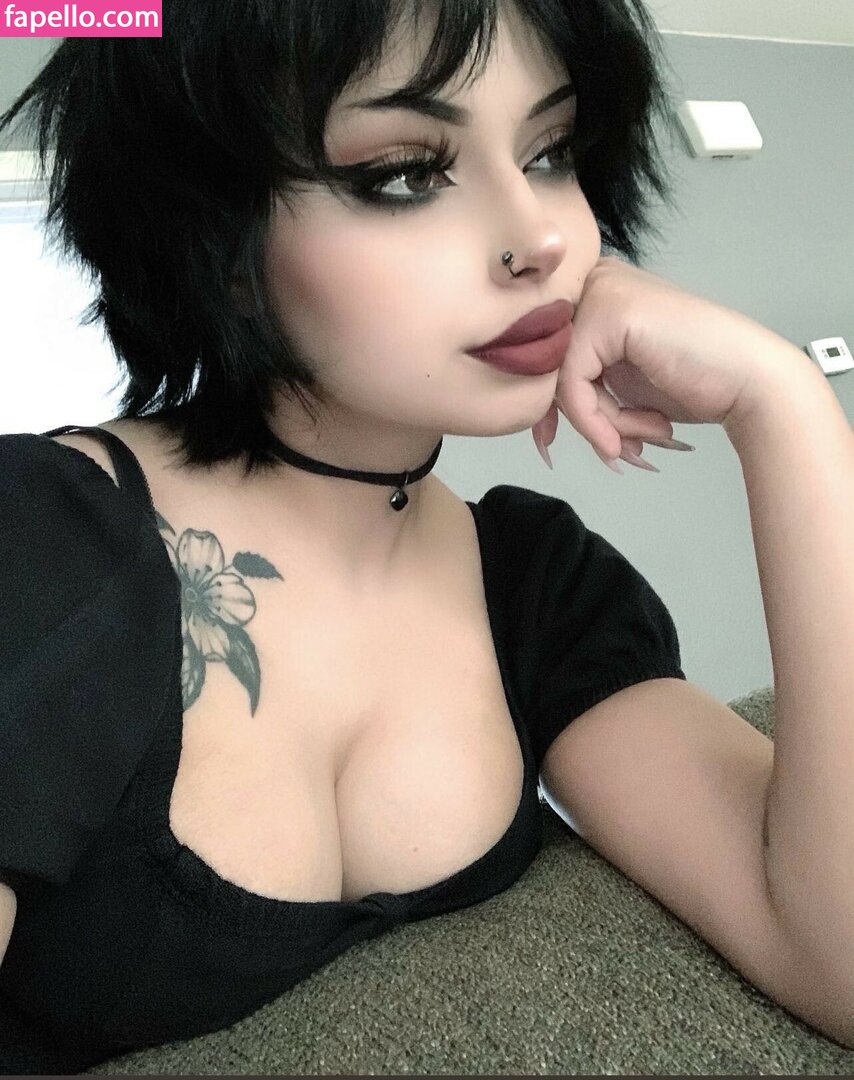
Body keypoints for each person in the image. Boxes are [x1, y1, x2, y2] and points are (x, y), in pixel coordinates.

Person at [1, 0, 853, 1071]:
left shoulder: (538, 583)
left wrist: (783, 407)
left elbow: (837, 956)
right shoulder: (39, 535)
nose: (540, 238)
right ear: (217, 241)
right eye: (405, 173)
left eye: (549, 152)